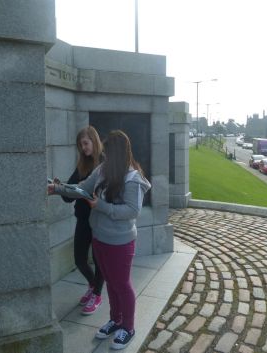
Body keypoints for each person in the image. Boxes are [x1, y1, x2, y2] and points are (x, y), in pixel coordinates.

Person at [49, 130, 151, 350]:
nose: (104, 155)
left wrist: (101, 206)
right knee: (112, 284)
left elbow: (133, 211)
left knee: (121, 285)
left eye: (108, 152)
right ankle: (115, 320)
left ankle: (129, 327)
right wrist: (57, 189)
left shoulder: (133, 178)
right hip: (100, 238)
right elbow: (83, 188)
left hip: (121, 242)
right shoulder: (102, 170)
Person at [52, 126, 105, 315]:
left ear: (94, 141)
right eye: (80, 145)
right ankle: (92, 285)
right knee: (80, 259)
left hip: (99, 221)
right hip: (83, 219)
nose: (83, 148)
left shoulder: (104, 164)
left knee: (99, 262)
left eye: (86, 143)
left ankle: (97, 294)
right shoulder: (82, 165)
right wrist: (60, 187)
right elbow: (69, 196)